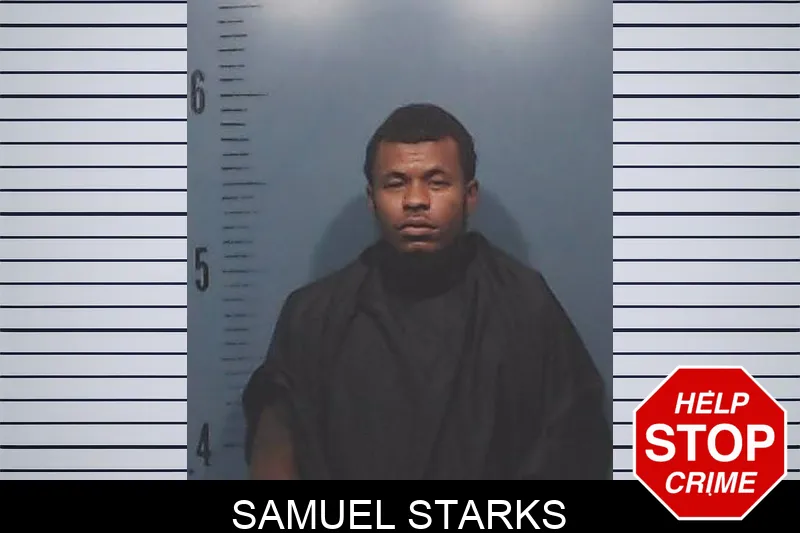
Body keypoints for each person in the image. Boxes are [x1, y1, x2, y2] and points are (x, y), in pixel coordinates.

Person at [241, 103, 611, 480]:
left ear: (469, 195)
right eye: (395, 183)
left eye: (436, 182)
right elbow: (275, 450)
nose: (415, 200)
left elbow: (576, 445)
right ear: (372, 198)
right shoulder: (313, 316)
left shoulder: (524, 305)